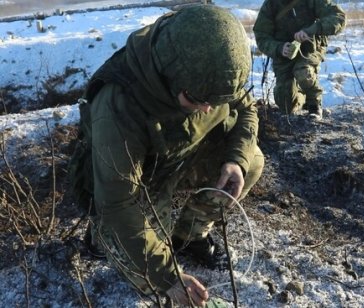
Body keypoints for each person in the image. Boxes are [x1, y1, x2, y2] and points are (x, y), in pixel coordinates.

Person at [68, 5, 264, 307]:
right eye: (199, 100)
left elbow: (246, 108)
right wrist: (167, 276)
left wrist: (235, 159)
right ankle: (99, 238)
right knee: (143, 275)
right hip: (135, 183)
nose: (208, 110)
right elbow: (118, 201)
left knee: (252, 162)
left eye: (215, 101)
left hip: (179, 157)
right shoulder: (119, 104)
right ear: (172, 77)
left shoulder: (211, 66)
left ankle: (188, 235)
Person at [253, 0, 346, 120]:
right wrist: (279, 48)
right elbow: (262, 36)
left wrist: (312, 29)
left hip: (310, 49)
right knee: (286, 105)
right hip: (285, 55)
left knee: (302, 71)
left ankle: (314, 104)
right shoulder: (271, 4)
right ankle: (301, 94)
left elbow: (338, 17)